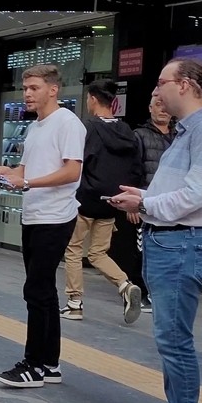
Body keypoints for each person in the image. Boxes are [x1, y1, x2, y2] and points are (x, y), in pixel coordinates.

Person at [110, 58, 202, 403]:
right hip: (174, 241)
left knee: (174, 339)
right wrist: (143, 196)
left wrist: (145, 204)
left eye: (161, 82)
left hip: (183, 244)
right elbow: (184, 191)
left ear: (183, 85)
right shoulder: (189, 131)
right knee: (170, 337)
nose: (156, 91)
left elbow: (198, 195)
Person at [0, 64, 85, 388]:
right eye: (25, 88)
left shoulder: (67, 123)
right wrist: (7, 172)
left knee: (35, 290)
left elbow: (72, 171)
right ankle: (50, 364)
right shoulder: (35, 127)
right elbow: (24, 169)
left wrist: (28, 182)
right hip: (33, 214)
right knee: (44, 291)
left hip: (55, 217)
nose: (27, 94)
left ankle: (33, 365)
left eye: (34, 88)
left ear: (53, 89)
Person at [60, 79, 144, 324]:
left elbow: (77, 163)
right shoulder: (127, 131)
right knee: (98, 253)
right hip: (112, 202)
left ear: (93, 99)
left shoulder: (87, 128)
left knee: (73, 249)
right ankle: (125, 285)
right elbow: (136, 168)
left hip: (85, 200)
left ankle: (74, 303)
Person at [127, 97, 177, 313]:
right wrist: (134, 203)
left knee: (167, 249)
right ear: (149, 108)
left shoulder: (179, 136)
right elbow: (132, 169)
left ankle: (160, 294)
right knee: (143, 250)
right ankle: (142, 294)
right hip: (145, 202)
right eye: (158, 105)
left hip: (172, 203)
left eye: (166, 106)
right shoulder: (139, 135)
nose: (163, 110)